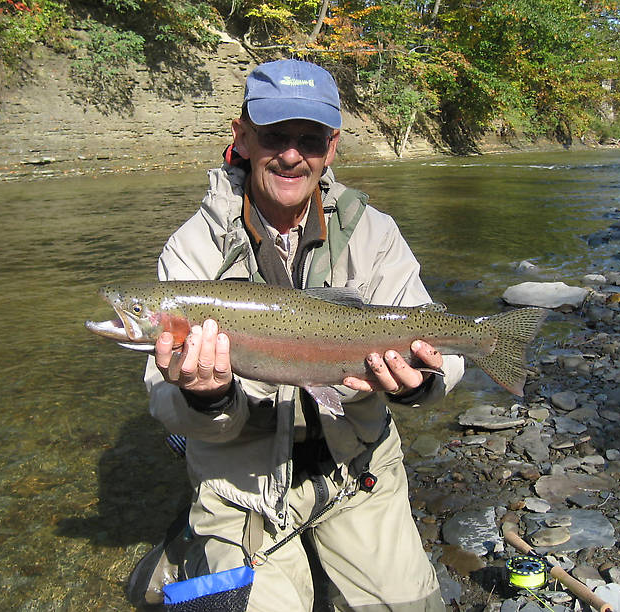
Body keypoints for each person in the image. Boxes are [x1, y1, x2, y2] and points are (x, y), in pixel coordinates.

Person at [138, 58, 465, 611]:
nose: (292, 154)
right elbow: (162, 401)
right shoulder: (192, 250)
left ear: (331, 147)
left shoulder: (373, 232)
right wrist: (207, 396)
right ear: (241, 138)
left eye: (310, 139)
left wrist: (418, 383)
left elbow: (433, 336)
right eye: (274, 136)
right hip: (240, 483)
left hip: (356, 470)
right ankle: (193, 545)